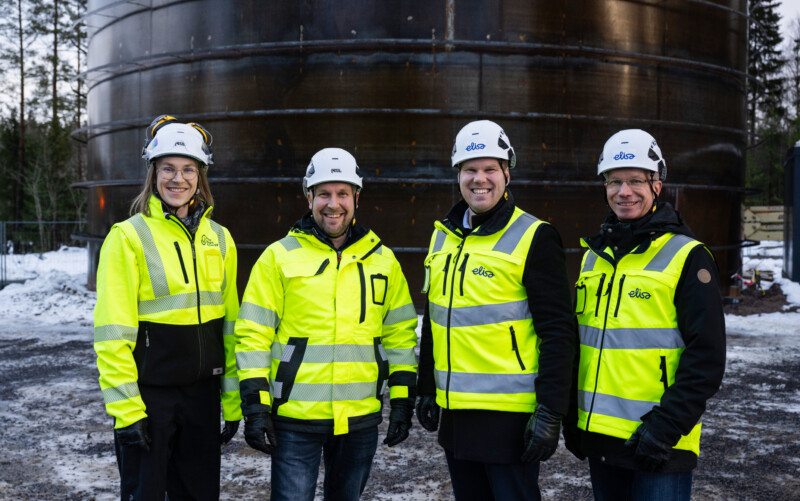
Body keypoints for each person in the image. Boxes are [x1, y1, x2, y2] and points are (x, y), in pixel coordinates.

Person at [234, 148, 419, 501]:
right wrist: (256, 406)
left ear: (356, 198)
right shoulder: (279, 257)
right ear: (309, 197)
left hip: (360, 420)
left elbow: (400, 334)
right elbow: (253, 334)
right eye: (323, 193)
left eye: (342, 193)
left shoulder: (383, 260)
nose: (333, 204)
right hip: (294, 420)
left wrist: (401, 401)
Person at [415, 120, 576, 501]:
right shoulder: (443, 236)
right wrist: (427, 388)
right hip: (457, 414)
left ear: (507, 173)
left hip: (510, 419)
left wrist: (552, 411)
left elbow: (558, 332)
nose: (479, 179)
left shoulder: (535, 236)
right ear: (458, 176)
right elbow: (438, 319)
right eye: (470, 170)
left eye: (490, 169)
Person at [563, 129, 726, 500]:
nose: (624, 191)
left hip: (659, 444)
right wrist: (573, 417)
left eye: (636, 180)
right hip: (603, 439)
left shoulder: (687, 257)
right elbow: (582, 344)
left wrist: (666, 429)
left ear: (657, 183)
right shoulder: (594, 257)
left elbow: (708, 357)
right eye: (614, 181)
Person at [93, 115, 241, 500]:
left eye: (188, 169)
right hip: (149, 398)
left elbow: (230, 328)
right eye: (168, 169)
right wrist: (126, 411)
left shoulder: (221, 239)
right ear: (153, 173)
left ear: (201, 175)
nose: (178, 179)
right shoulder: (128, 238)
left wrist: (231, 399)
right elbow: (112, 333)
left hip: (202, 396)